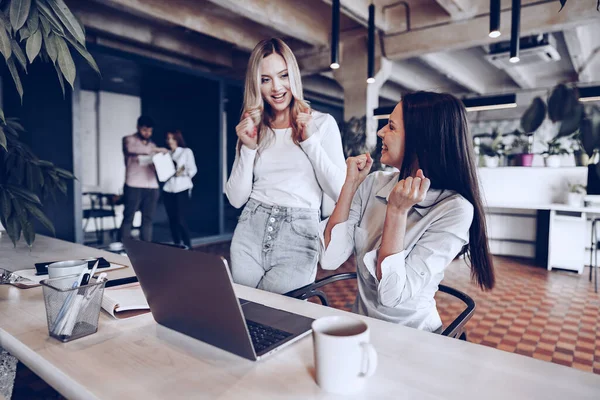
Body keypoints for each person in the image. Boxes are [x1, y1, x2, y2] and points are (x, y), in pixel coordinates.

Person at [321, 91, 495, 333]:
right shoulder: (373, 183)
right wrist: (350, 185)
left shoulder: (455, 209)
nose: (381, 132)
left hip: (415, 336)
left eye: (391, 127)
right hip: (362, 327)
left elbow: (391, 295)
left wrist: (397, 212)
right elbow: (330, 259)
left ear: (421, 139)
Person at [225, 38, 346, 294]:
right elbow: (236, 199)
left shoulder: (322, 124)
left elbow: (339, 190)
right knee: (243, 315)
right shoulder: (254, 128)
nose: (277, 87)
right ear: (255, 84)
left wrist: (310, 141)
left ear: (294, 76)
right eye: (265, 79)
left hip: (299, 235)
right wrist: (247, 147)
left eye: (283, 75)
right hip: (250, 229)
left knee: (278, 321)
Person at [119, 116, 168, 242]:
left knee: (148, 218)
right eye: (145, 130)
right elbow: (131, 149)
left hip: (152, 186)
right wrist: (156, 150)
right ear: (138, 127)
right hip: (133, 184)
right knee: (129, 216)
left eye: (150, 131)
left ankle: (146, 247)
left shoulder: (152, 144)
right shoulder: (129, 139)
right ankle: (124, 246)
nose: (147, 133)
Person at [163, 130, 197, 249]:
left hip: (182, 188)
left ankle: (188, 246)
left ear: (177, 140)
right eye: (168, 139)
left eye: (172, 138)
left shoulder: (186, 152)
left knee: (180, 219)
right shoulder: (166, 154)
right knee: (172, 220)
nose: (170, 141)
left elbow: (193, 170)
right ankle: (177, 246)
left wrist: (181, 172)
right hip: (168, 189)